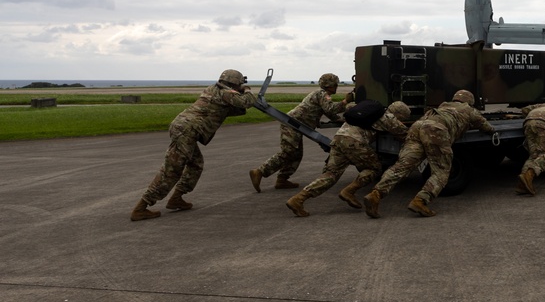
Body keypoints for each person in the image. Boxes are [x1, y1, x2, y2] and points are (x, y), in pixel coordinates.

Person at [130, 69, 257, 221]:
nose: (240, 87)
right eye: (239, 85)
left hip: (184, 128)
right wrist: (247, 91)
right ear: (234, 83)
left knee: (196, 164)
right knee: (172, 170)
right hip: (186, 130)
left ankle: (177, 198)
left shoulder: (213, 90)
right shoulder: (226, 93)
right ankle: (141, 207)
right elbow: (246, 102)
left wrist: (240, 95)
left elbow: (232, 110)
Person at [363, 90, 495, 218]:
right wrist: (493, 132)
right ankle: (420, 201)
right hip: (435, 130)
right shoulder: (469, 110)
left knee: (403, 166)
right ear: (470, 101)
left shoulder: (443, 105)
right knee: (441, 171)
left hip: (417, 127)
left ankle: (375, 194)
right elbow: (484, 125)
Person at [285, 101, 410, 217]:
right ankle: (349, 191)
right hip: (354, 142)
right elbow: (405, 135)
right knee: (374, 168)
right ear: (398, 114)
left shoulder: (371, 111)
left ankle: (298, 199)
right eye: (402, 118)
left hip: (339, 138)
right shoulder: (389, 118)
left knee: (331, 174)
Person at [248, 73, 353, 192]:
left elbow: (330, 114)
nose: (336, 87)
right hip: (292, 124)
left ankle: (282, 179)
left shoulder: (321, 95)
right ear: (329, 85)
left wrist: (343, 119)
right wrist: (345, 102)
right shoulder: (322, 94)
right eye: (335, 84)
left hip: (295, 125)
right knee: (289, 152)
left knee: (296, 154)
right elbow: (330, 109)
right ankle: (259, 172)